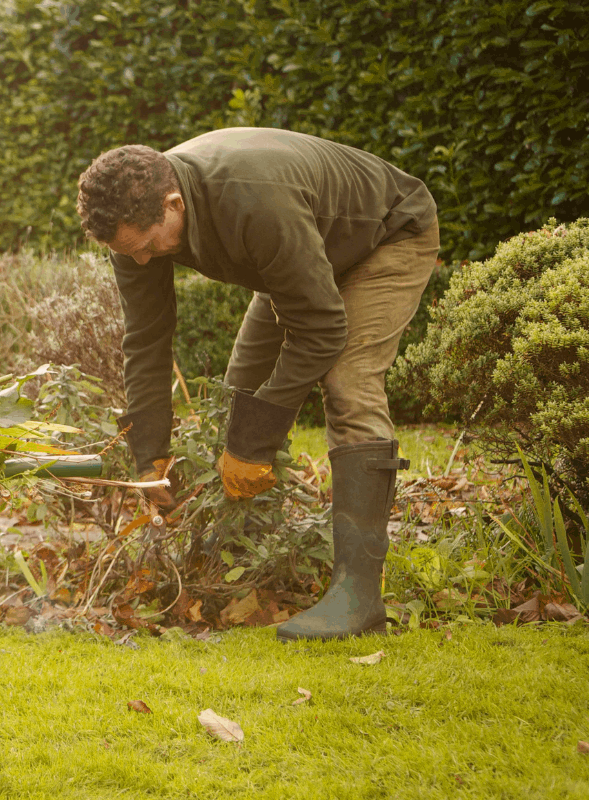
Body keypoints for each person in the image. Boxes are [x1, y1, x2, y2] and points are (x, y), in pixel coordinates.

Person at [75, 128, 440, 641]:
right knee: (237, 394)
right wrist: (148, 453)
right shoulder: (131, 231)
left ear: (174, 203)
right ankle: (249, 559)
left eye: (147, 246)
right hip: (304, 252)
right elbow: (146, 339)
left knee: (348, 384)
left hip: (387, 236)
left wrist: (255, 443)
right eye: (128, 252)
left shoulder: (253, 202)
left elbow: (322, 328)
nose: (141, 260)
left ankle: (359, 598)